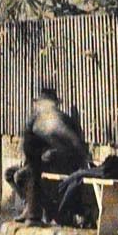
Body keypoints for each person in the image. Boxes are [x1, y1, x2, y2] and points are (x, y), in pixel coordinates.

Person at [5, 83, 90, 224]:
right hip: (43, 163)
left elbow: (72, 147)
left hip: (60, 164)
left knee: (23, 175)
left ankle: (39, 210)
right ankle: (30, 205)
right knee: (11, 173)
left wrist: (51, 153)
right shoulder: (41, 122)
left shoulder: (61, 121)